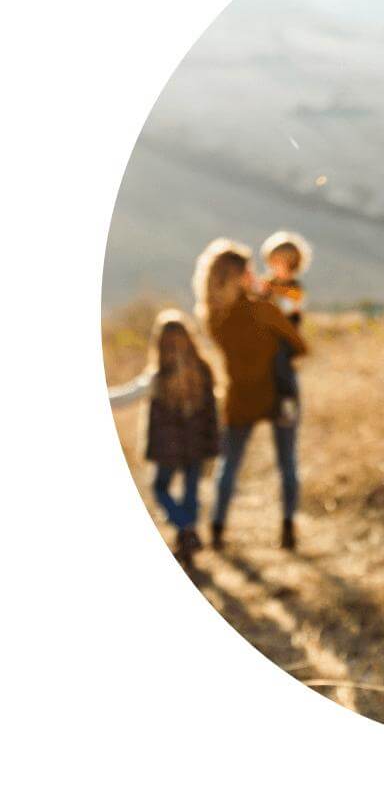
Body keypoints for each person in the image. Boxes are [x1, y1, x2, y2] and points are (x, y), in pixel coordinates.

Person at [193, 238, 308, 551]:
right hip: (279, 391)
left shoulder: (212, 317)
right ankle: (287, 528)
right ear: (241, 274)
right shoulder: (263, 310)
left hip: (239, 394)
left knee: (228, 465)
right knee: (287, 463)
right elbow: (300, 344)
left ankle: (217, 527)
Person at [109, 310, 219, 565]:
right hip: (196, 446)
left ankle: (185, 530)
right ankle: (187, 533)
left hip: (166, 449)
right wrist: (212, 444)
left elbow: (125, 397)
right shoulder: (204, 371)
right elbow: (212, 413)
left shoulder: (157, 376)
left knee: (160, 489)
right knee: (191, 493)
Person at [258, 231, 312, 427]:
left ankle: (287, 404)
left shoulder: (294, 287)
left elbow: (291, 305)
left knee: (282, 365)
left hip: (286, 339)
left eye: (283, 261)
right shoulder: (267, 284)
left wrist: (272, 292)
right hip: (266, 338)